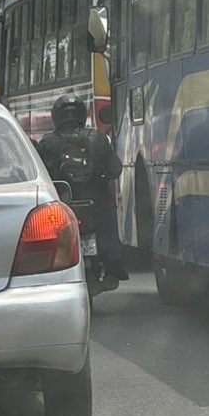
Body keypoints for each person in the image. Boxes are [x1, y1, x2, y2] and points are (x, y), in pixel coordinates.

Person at [37, 94, 129, 290]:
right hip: (96, 204)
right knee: (109, 222)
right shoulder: (98, 139)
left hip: (64, 204)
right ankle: (114, 269)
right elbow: (115, 169)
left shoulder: (47, 143)